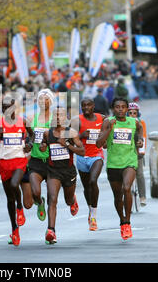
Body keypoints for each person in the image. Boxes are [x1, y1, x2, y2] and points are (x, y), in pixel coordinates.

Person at [0, 98, 33, 246]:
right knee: (9, 199)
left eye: (9, 107)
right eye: (4, 108)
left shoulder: (23, 121)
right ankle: (14, 229)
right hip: (4, 163)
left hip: (19, 160)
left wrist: (30, 144)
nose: (7, 110)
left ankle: (20, 208)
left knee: (14, 185)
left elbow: (31, 135)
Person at [96, 97, 144, 240]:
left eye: (123, 107)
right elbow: (99, 144)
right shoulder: (107, 122)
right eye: (117, 107)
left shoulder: (134, 122)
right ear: (113, 109)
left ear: (127, 109)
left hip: (130, 161)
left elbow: (140, 130)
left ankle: (127, 222)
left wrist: (140, 140)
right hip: (113, 164)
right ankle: (122, 221)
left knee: (127, 188)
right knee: (118, 196)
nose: (121, 109)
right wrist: (109, 128)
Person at [40, 107, 85, 244]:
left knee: (68, 201)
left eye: (61, 115)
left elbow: (82, 151)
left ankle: (73, 200)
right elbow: (43, 144)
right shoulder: (48, 133)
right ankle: (51, 231)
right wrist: (43, 146)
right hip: (53, 171)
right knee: (52, 198)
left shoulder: (71, 133)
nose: (58, 117)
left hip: (68, 171)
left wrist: (66, 144)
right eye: (56, 115)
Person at [71, 98, 105, 231]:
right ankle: (90, 209)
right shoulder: (77, 120)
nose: (86, 108)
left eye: (89, 105)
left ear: (93, 106)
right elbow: (70, 140)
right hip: (81, 157)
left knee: (93, 181)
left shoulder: (101, 118)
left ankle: (94, 216)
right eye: (83, 105)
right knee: (86, 187)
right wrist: (81, 135)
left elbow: (110, 127)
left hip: (96, 156)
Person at [27, 89, 54, 222]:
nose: (43, 101)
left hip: (51, 161)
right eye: (41, 99)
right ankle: (39, 203)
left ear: (51, 101)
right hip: (35, 160)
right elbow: (27, 137)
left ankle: (51, 229)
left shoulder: (56, 118)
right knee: (35, 193)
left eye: (46, 99)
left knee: (52, 197)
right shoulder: (32, 118)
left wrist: (48, 144)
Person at [127, 103, 147, 206]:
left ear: (138, 114)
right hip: (126, 151)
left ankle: (142, 197)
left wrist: (141, 152)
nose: (132, 115)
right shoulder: (124, 122)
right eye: (130, 113)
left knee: (139, 173)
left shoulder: (141, 123)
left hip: (138, 150)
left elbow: (143, 137)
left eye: (134, 113)